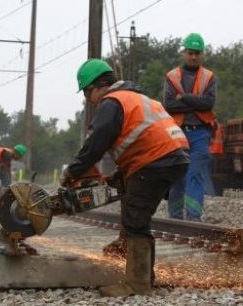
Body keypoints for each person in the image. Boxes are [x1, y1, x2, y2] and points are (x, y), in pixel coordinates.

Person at [60, 59, 190, 297]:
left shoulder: (111, 102)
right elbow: (137, 139)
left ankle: (138, 284)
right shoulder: (135, 97)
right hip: (172, 155)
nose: (88, 100)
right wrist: (116, 176)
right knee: (128, 193)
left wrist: (73, 171)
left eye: (87, 94)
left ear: (95, 87)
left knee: (136, 220)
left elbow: (96, 144)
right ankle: (124, 248)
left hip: (155, 159)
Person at [162, 33, 217, 221]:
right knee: (178, 175)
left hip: (201, 133)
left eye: (197, 53)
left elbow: (208, 104)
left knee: (195, 175)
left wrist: (184, 97)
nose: (194, 57)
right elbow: (169, 105)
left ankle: (193, 219)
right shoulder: (172, 76)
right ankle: (176, 218)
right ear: (184, 52)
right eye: (190, 53)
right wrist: (196, 102)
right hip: (178, 132)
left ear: (202, 54)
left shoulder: (209, 77)